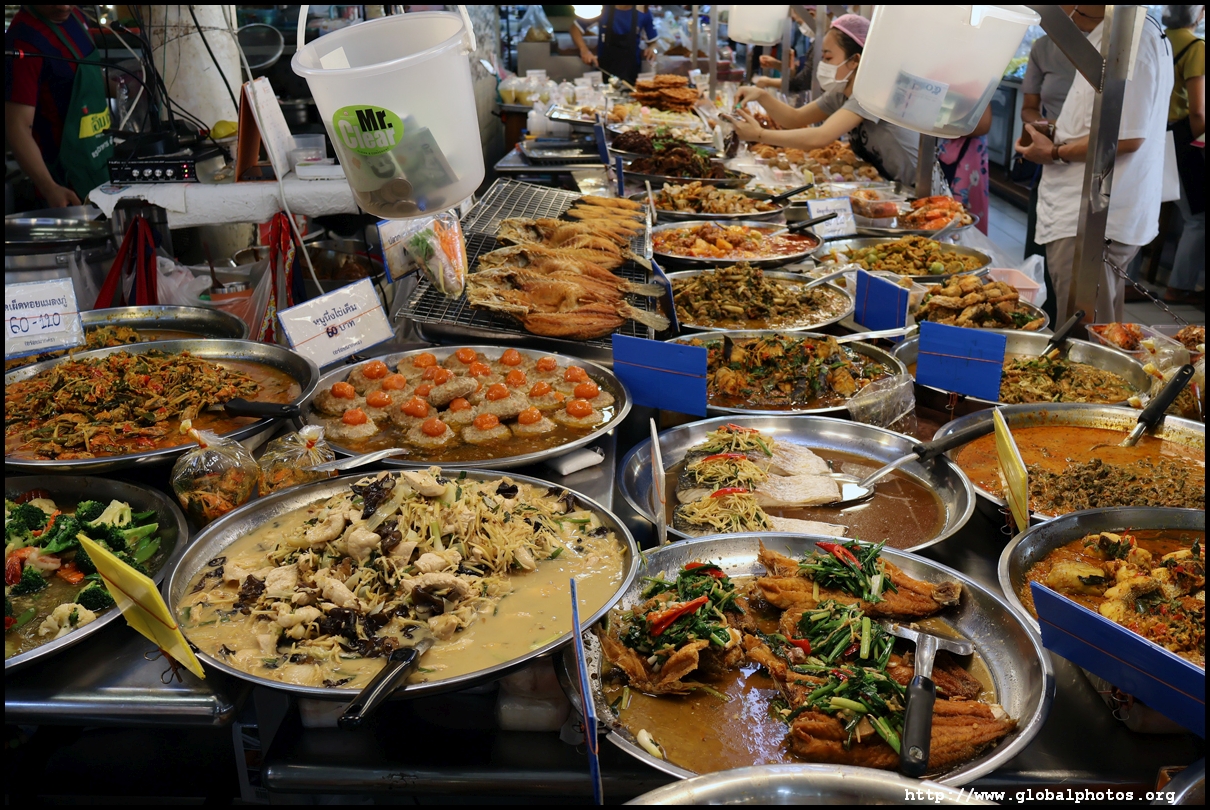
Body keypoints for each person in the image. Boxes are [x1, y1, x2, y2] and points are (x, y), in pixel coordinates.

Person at [1015, 6, 1174, 322]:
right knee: (1097, 326)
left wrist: (1055, 152)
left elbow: (1125, 138)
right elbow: (1102, 120)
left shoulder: (1129, 36)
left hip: (1094, 218)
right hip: (1083, 212)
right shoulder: (1111, 33)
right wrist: (1058, 130)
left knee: (1084, 332)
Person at [730, 14, 922, 187]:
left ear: (855, 60)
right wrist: (761, 95)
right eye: (822, 58)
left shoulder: (872, 93)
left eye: (828, 58)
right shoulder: (841, 92)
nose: (823, 65)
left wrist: (760, 135)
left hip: (915, 188)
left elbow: (821, 136)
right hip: (889, 185)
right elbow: (794, 118)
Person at [6, 4, 113, 209]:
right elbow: (17, 127)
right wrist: (50, 188)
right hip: (65, 186)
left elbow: (85, 76)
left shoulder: (77, 19)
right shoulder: (23, 40)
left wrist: (127, 87)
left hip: (100, 165)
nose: (64, 7)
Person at [1020, 12, 1082, 259]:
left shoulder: (1111, 46)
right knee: (1042, 250)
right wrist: (1047, 126)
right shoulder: (1044, 47)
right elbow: (1028, 108)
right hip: (1051, 155)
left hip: (1093, 158)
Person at [1162, 4, 1205, 306]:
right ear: (1197, 13)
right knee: (1198, 217)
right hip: (1180, 139)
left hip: (1154, 136)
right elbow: (1198, 111)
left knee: (1148, 207)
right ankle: (1178, 287)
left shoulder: (1158, 39)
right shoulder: (1195, 46)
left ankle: (1128, 280)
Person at [937, 106, 993, 235]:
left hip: (964, 152)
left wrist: (937, 124)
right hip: (943, 148)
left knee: (961, 218)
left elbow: (983, 125)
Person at [571, 5, 657, 85]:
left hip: (631, 75)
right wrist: (584, 51)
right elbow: (575, 28)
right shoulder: (601, 8)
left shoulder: (643, 11)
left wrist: (652, 48)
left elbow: (653, 42)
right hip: (604, 74)